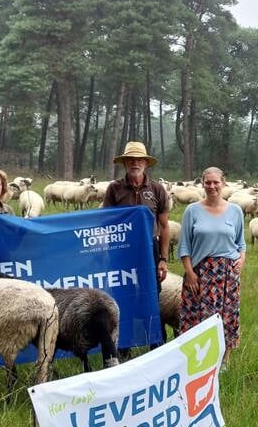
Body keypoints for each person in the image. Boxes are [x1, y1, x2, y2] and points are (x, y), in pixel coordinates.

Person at [102, 141, 171, 362]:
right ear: (124, 163)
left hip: (149, 250)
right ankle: (124, 349)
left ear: (145, 163)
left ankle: (157, 347)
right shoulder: (114, 189)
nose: (135, 163)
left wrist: (162, 258)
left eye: (139, 160)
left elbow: (164, 225)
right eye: (130, 160)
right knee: (123, 298)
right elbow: (104, 221)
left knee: (151, 295)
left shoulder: (157, 190)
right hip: (121, 252)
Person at [178, 167, 245, 369]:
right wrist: (189, 274)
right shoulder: (192, 211)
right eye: (208, 182)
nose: (212, 186)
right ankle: (196, 361)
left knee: (227, 315)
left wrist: (241, 260)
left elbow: (241, 243)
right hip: (199, 272)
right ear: (202, 183)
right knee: (195, 316)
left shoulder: (236, 211)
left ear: (223, 183)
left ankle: (224, 360)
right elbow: (184, 246)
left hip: (227, 274)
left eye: (216, 182)